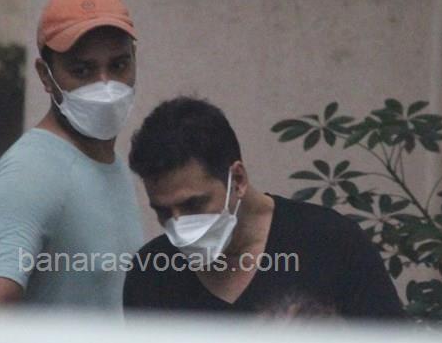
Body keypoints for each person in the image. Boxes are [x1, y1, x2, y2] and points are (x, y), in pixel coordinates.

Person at [123, 96, 404, 319]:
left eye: (194, 204)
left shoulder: (331, 244)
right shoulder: (152, 275)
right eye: (163, 212)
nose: (180, 226)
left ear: (238, 180)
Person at [0, 0, 143, 310]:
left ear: (135, 59)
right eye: (82, 71)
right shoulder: (29, 175)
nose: (105, 85)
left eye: (118, 65)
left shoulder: (110, 165)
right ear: (45, 76)